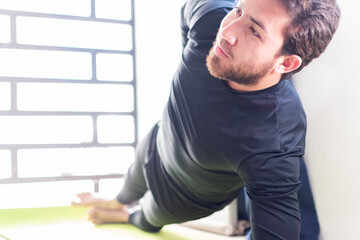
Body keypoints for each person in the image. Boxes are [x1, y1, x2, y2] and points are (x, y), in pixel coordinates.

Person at [72, 0, 340, 239]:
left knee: (148, 219)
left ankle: (127, 215)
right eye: (238, 10)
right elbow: (188, 13)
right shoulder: (211, 22)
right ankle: (118, 201)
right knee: (130, 183)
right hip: (158, 140)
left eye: (254, 31)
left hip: (182, 197)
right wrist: (190, 55)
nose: (228, 32)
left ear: (286, 63)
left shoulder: (275, 139)